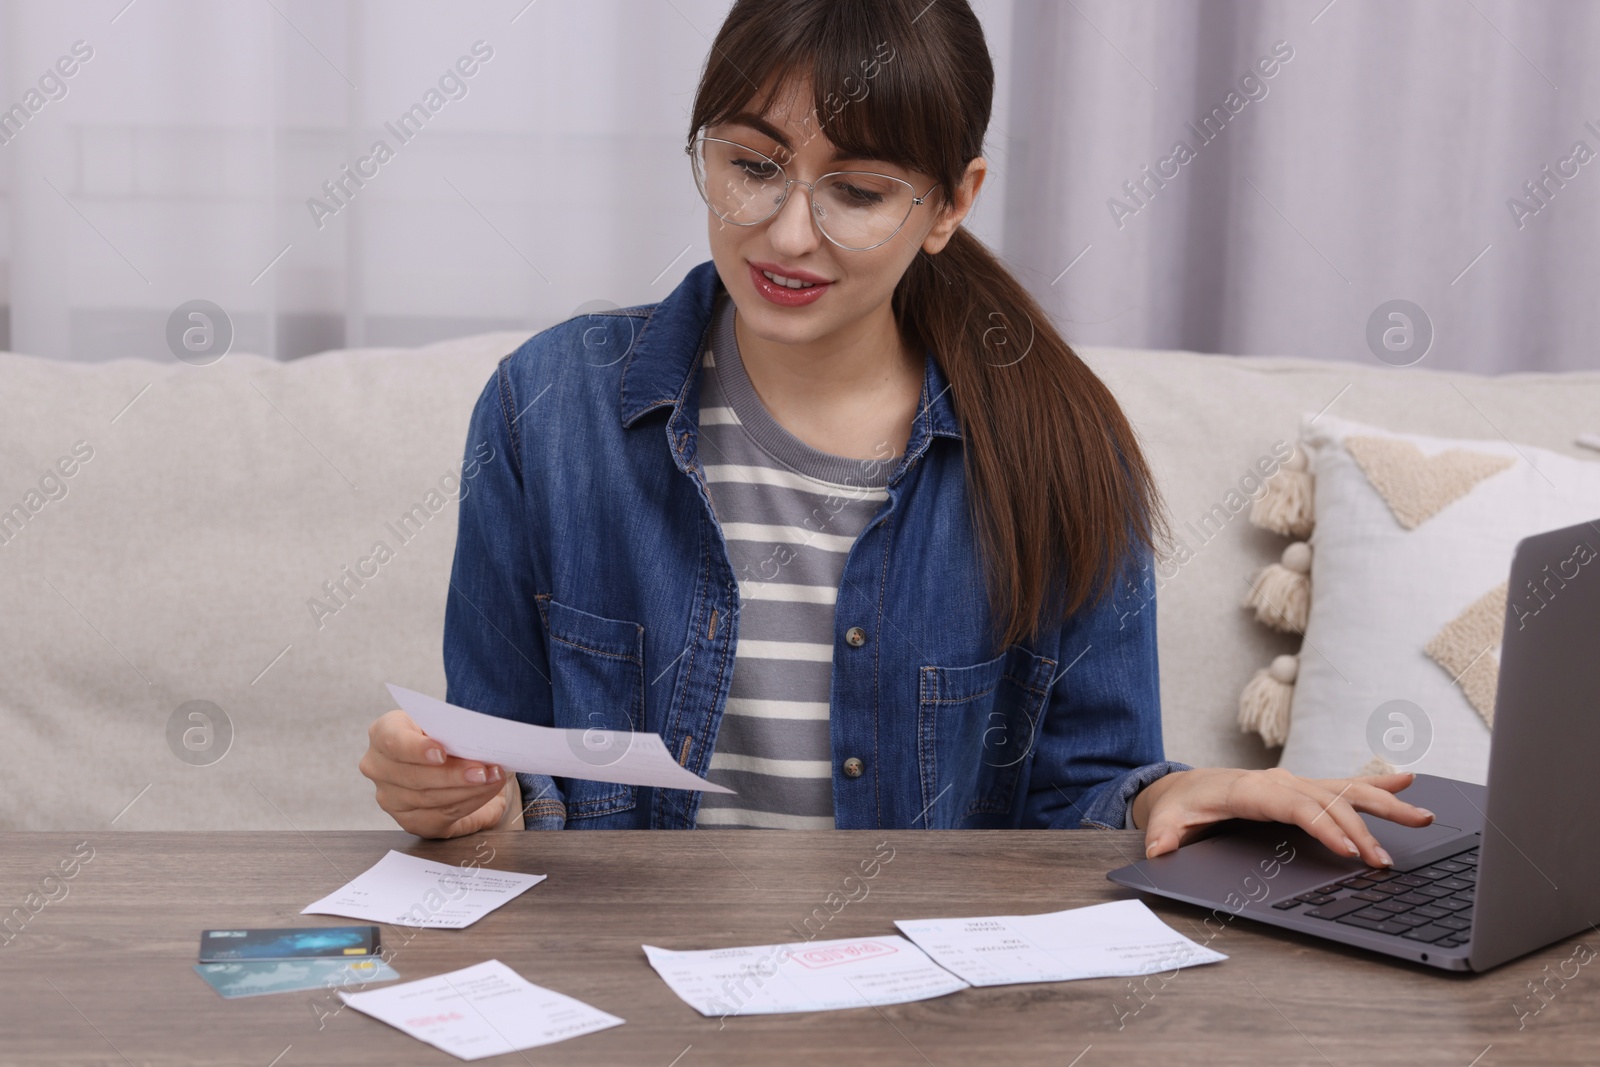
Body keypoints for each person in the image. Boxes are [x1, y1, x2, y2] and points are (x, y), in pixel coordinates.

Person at [360, 0, 1434, 862]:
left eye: (859, 190)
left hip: (920, 1005)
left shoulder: (1058, 446)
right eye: (751, 165)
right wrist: (462, 799)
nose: (787, 232)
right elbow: (503, 775)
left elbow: (1085, 791)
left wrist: (1173, 792)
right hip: (621, 994)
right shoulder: (546, 406)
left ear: (949, 204)